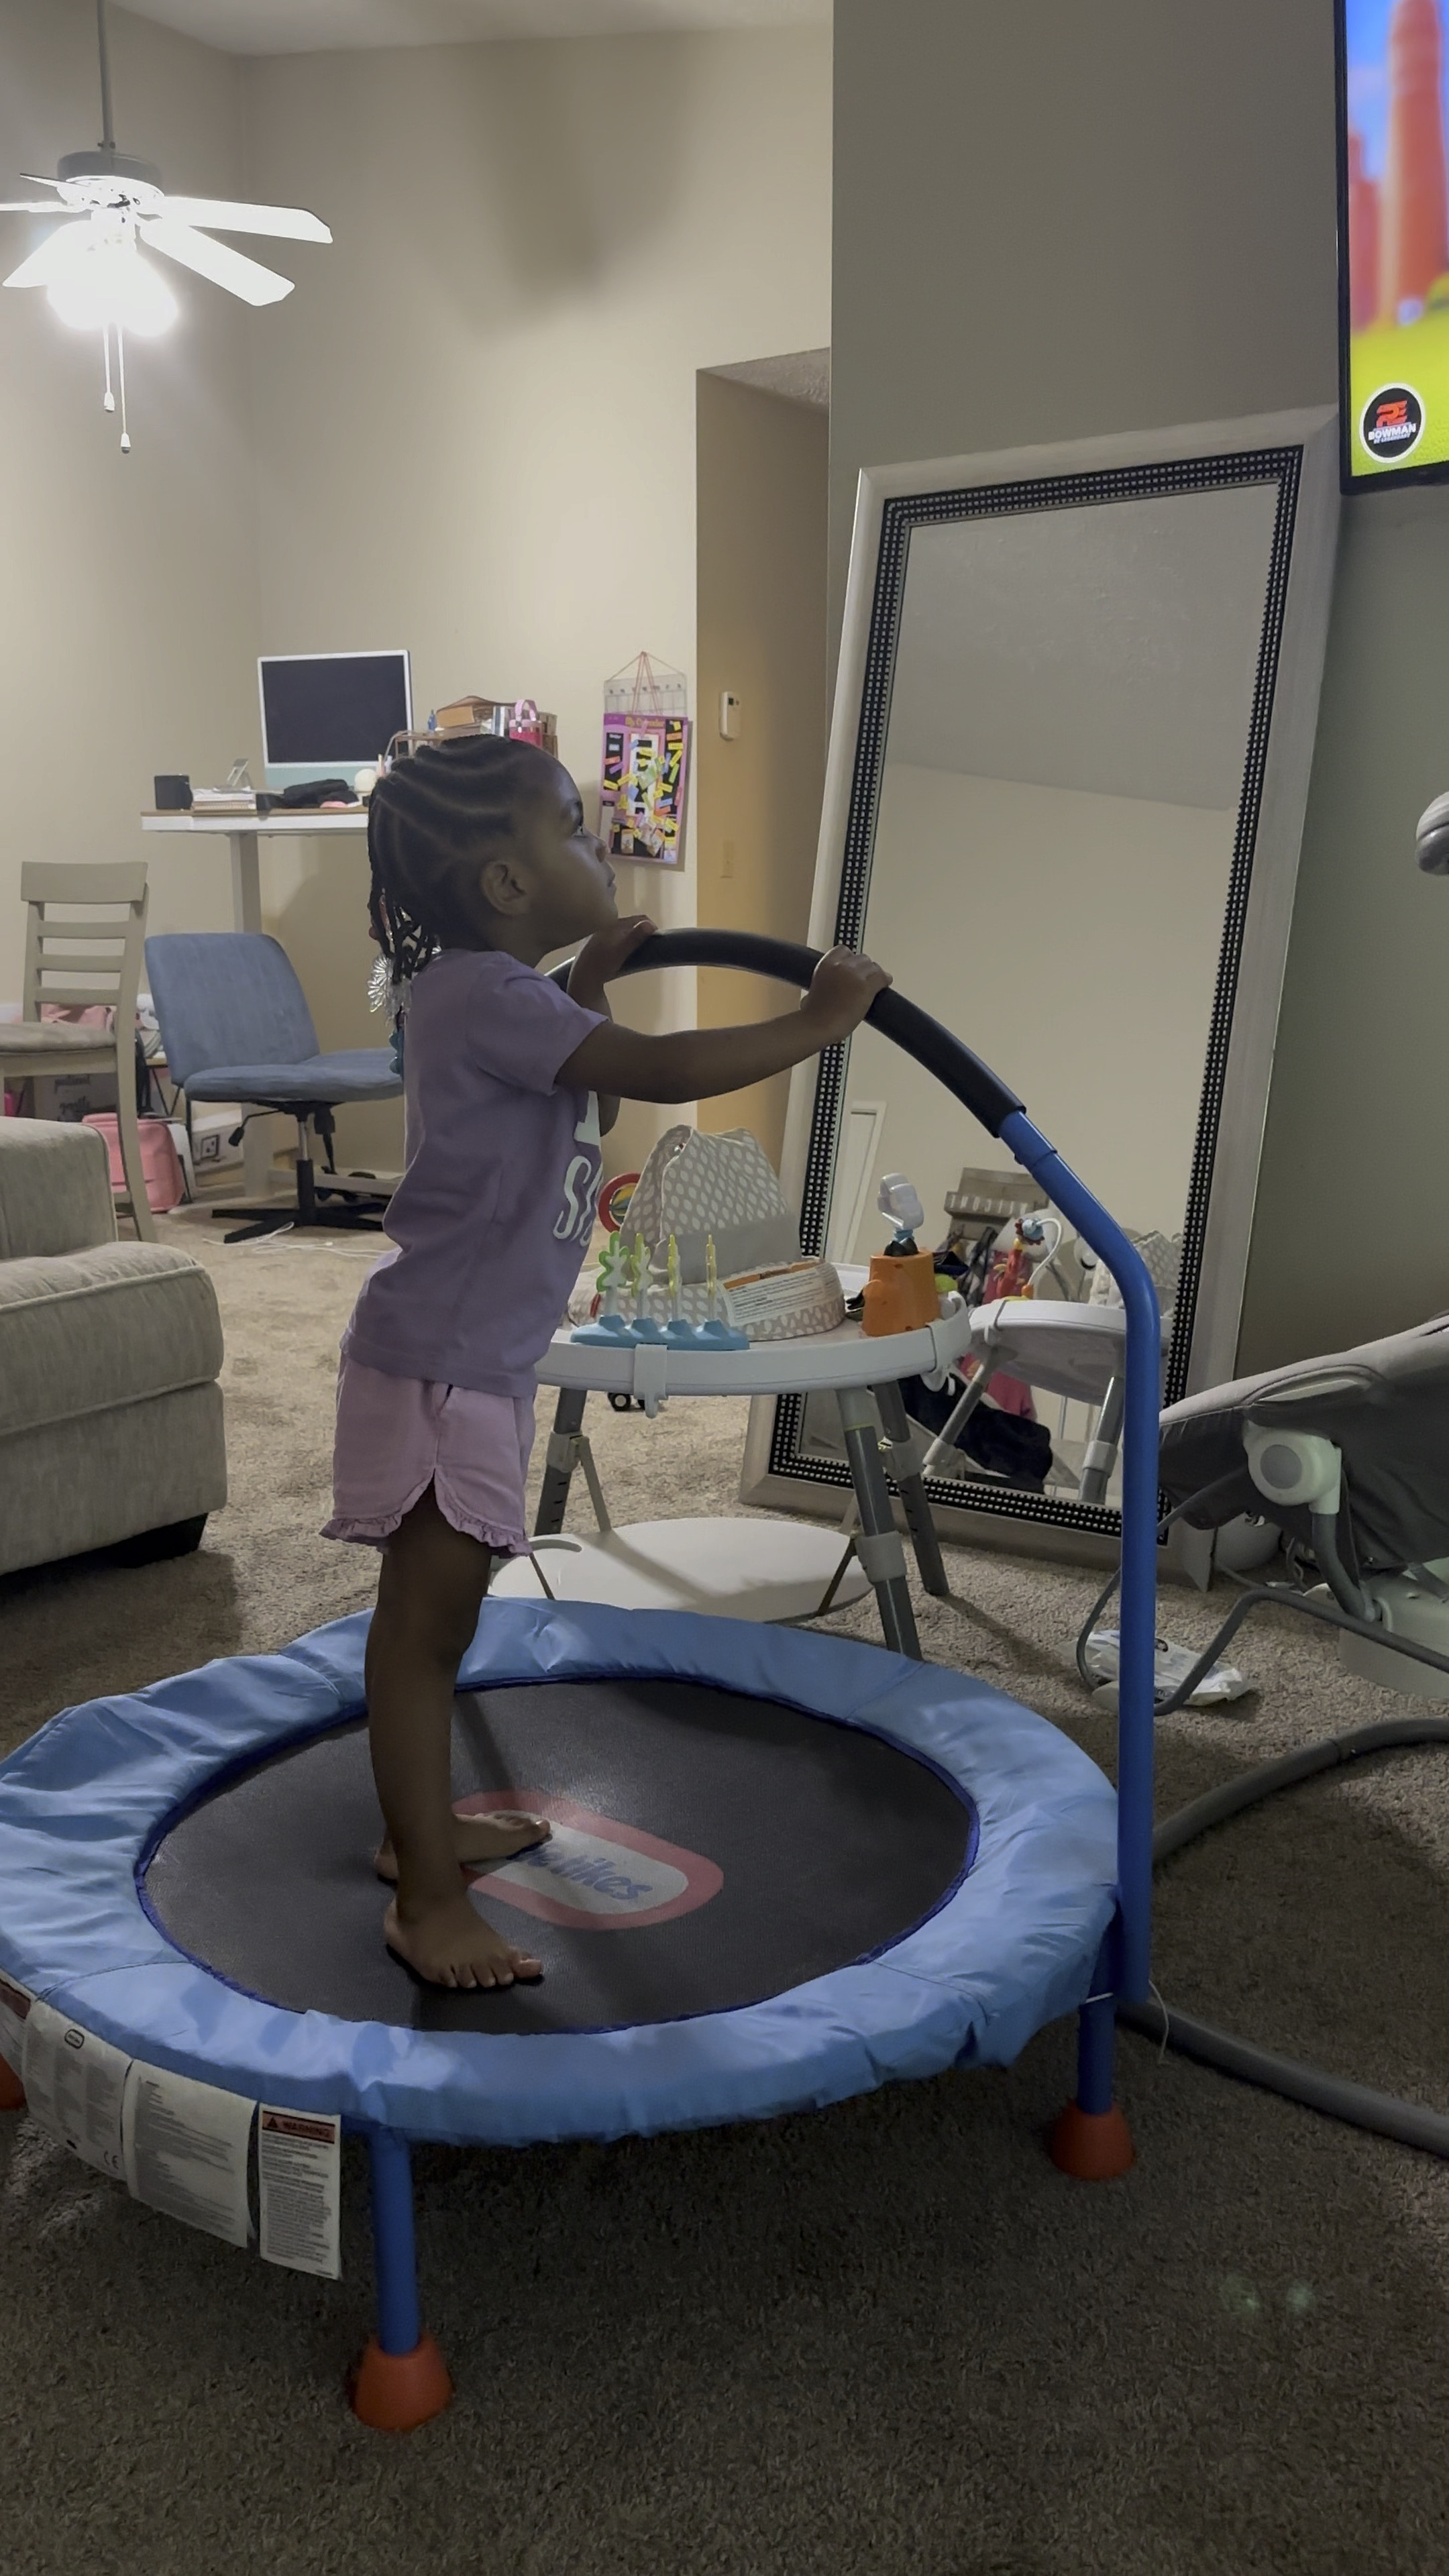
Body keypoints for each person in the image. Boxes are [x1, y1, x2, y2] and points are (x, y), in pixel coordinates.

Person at [325, 731, 890, 1991]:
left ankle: (418, 1831)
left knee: (442, 1617)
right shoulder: (484, 996)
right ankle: (423, 1892)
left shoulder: (495, 1000)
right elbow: (662, 1075)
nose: (603, 845)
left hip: (473, 1356)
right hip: (444, 1366)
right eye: (576, 828)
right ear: (507, 885)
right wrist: (816, 1022)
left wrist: (588, 986)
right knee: (423, 1631)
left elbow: (585, 1098)